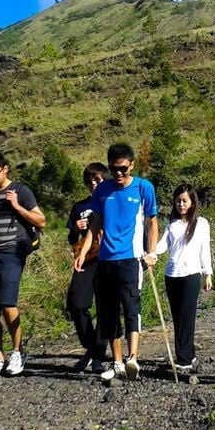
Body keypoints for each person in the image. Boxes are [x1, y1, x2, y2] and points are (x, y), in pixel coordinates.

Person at [73, 143, 158, 382]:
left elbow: (152, 222)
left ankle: (133, 358)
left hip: (131, 257)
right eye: (113, 169)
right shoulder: (103, 190)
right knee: (108, 313)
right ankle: (118, 362)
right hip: (105, 259)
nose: (118, 174)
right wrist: (84, 251)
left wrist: (152, 252)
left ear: (132, 165)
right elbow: (96, 223)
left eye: (122, 169)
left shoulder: (143, 187)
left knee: (131, 308)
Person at [0, 150, 46, 377]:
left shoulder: (21, 191)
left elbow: (41, 221)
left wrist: (17, 206)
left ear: (5, 169)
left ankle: (18, 351)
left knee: (7, 302)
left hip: (12, 252)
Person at [154, 183, 213, 373]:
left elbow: (205, 249)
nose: (181, 204)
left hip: (191, 275)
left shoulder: (201, 223)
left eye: (184, 201)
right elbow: (162, 246)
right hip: (172, 275)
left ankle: (184, 358)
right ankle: (190, 352)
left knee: (187, 317)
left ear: (192, 202)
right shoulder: (171, 224)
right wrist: (151, 254)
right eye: (178, 201)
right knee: (178, 317)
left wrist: (207, 273)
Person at [66, 162, 110, 372]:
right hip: (87, 258)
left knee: (105, 306)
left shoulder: (112, 201)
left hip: (109, 258)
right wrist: (76, 228)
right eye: (89, 181)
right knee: (76, 303)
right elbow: (71, 238)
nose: (93, 184)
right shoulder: (79, 207)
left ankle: (98, 355)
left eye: (97, 180)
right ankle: (91, 347)